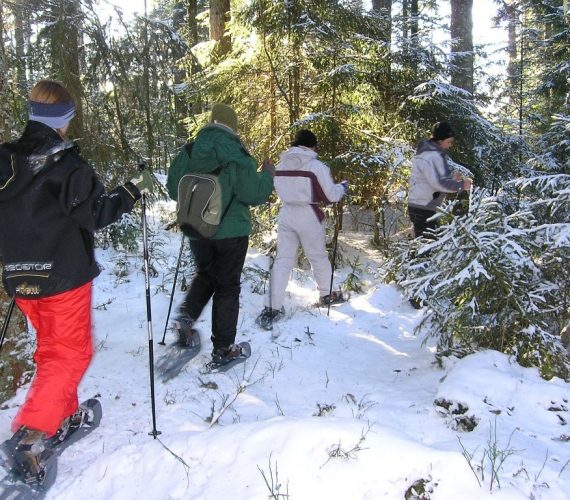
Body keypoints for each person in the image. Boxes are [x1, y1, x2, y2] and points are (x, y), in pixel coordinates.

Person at [0, 79, 153, 485]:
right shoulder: (68, 165)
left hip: (20, 278)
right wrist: (132, 191)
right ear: (63, 120)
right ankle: (30, 436)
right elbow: (96, 214)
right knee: (71, 354)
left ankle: (62, 413)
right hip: (63, 276)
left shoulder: (6, 160)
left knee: (53, 351)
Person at [166, 103, 274, 366]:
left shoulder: (189, 150)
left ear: (211, 122)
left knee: (206, 274)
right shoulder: (236, 154)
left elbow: (172, 189)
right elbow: (253, 193)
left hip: (196, 229)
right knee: (227, 287)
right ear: (232, 127)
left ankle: (187, 317)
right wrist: (268, 175)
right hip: (231, 232)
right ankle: (223, 350)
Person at [255, 129, 348, 330]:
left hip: (286, 213)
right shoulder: (316, 166)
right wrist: (342, 188)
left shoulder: (281, 164)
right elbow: (331, 195)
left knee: (283, 260)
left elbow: (277, 187)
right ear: (313, 146)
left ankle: (272, 307)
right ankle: (328, 293)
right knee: (317, 256)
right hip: (308, 214)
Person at [407, 121, 472, 238]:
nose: (450, 145)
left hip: (421, 205)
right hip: (422, 207)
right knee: (425, 246)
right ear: (440, 141)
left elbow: (431, 180)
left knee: (424, 244)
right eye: (448, 142)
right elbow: (438, 183)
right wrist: (462, 185)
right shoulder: (432, 155)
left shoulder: (430, 153)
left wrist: (452, 180)